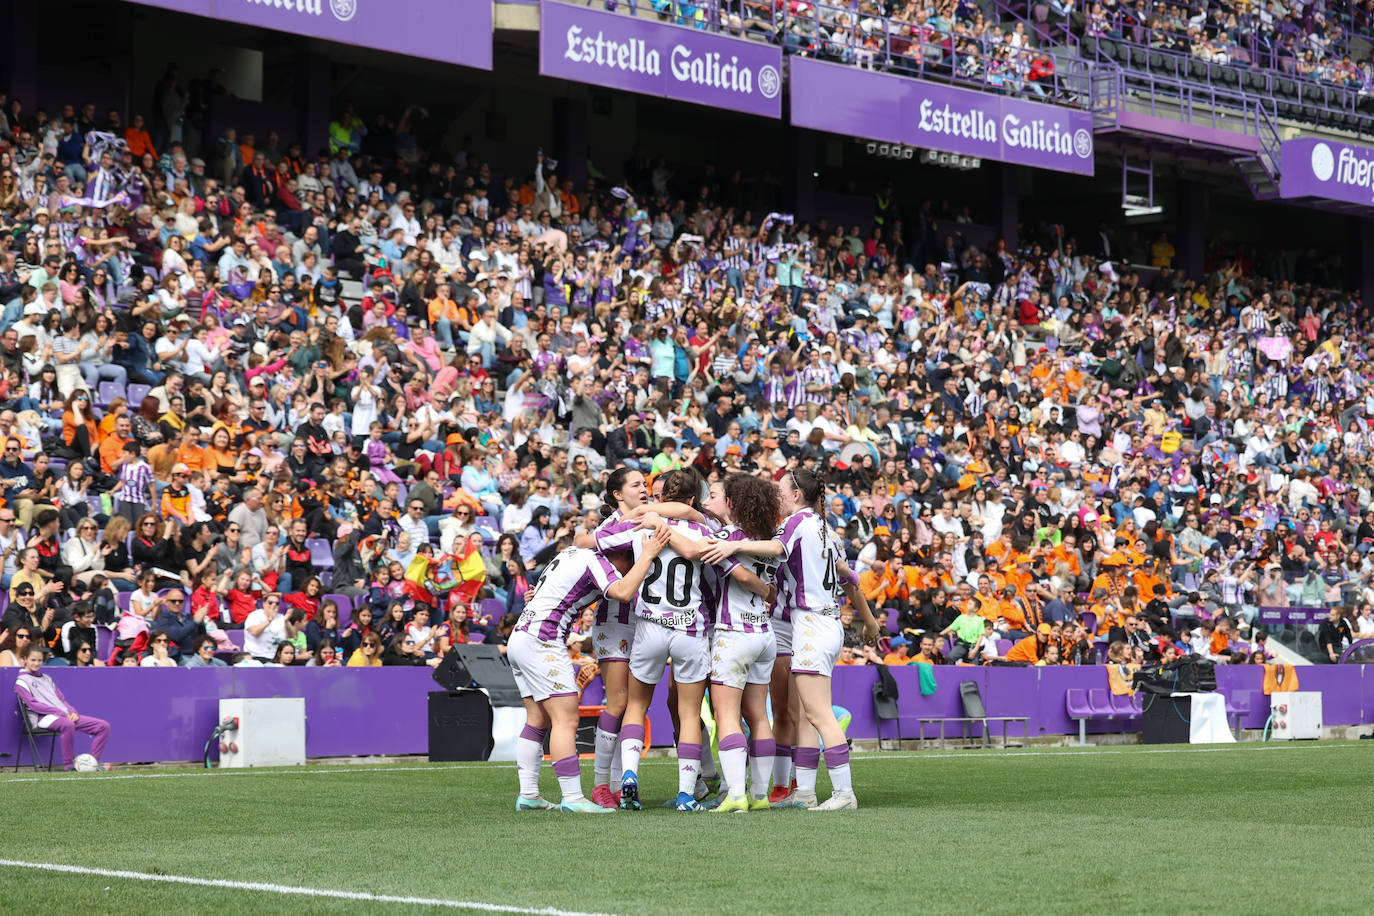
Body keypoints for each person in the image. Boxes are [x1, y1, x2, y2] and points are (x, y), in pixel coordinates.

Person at [705, 467, 878, 810]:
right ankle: (806, 792)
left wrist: (733, 543)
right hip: (824, 621)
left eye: (782, 491)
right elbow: (846, 572)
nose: (778, 497)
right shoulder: (826, 528)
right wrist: (869, 617)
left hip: (812, 623)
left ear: (796, 494)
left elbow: (775, 546)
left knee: (818, 713)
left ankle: (844, 794)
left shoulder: (798, 522)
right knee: (809, 716)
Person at [596, 468, 770, 812]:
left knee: (635, 706)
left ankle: (629, 774)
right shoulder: (710, 532)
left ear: (662, 498)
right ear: (693, 499)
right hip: (691, 628)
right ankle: (687, 794)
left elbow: (599, 542)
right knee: (690, 714)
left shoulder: (641, 525)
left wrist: (645, 518)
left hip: (649, 626)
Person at [507, 527, 668, 813]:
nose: (629, 566)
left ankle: (529, 794)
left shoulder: (569, 554)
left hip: (521, 635)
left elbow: (538, 593)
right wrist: (650, 554)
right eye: (630, 558)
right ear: (618, 552)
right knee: (566, 720)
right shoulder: (596, 560)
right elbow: (623, 590)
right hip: (543, 639)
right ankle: (573, 797)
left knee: (537, 719)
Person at [702, 473, 781, 813]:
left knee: (727, 714)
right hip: (765, 634)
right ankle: (760, 794)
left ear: (732, 502)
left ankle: (736, 795)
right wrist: (768, 592)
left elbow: (743, 576)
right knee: (759, 717)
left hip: (733, 634)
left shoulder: (729, 538)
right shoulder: (767, 538)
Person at [14, 645, 112, 770]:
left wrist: (72, 712)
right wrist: (60, 713)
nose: (36, 663)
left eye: (39, 660)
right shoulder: (21, 681)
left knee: (103, 726)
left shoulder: (47, 679)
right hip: (43, 718)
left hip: (63, 715)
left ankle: (91, 764)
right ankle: (69, 766)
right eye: (33, 660)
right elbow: (33, 705)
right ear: (25, 659)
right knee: (68, 725)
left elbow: (61, 699)